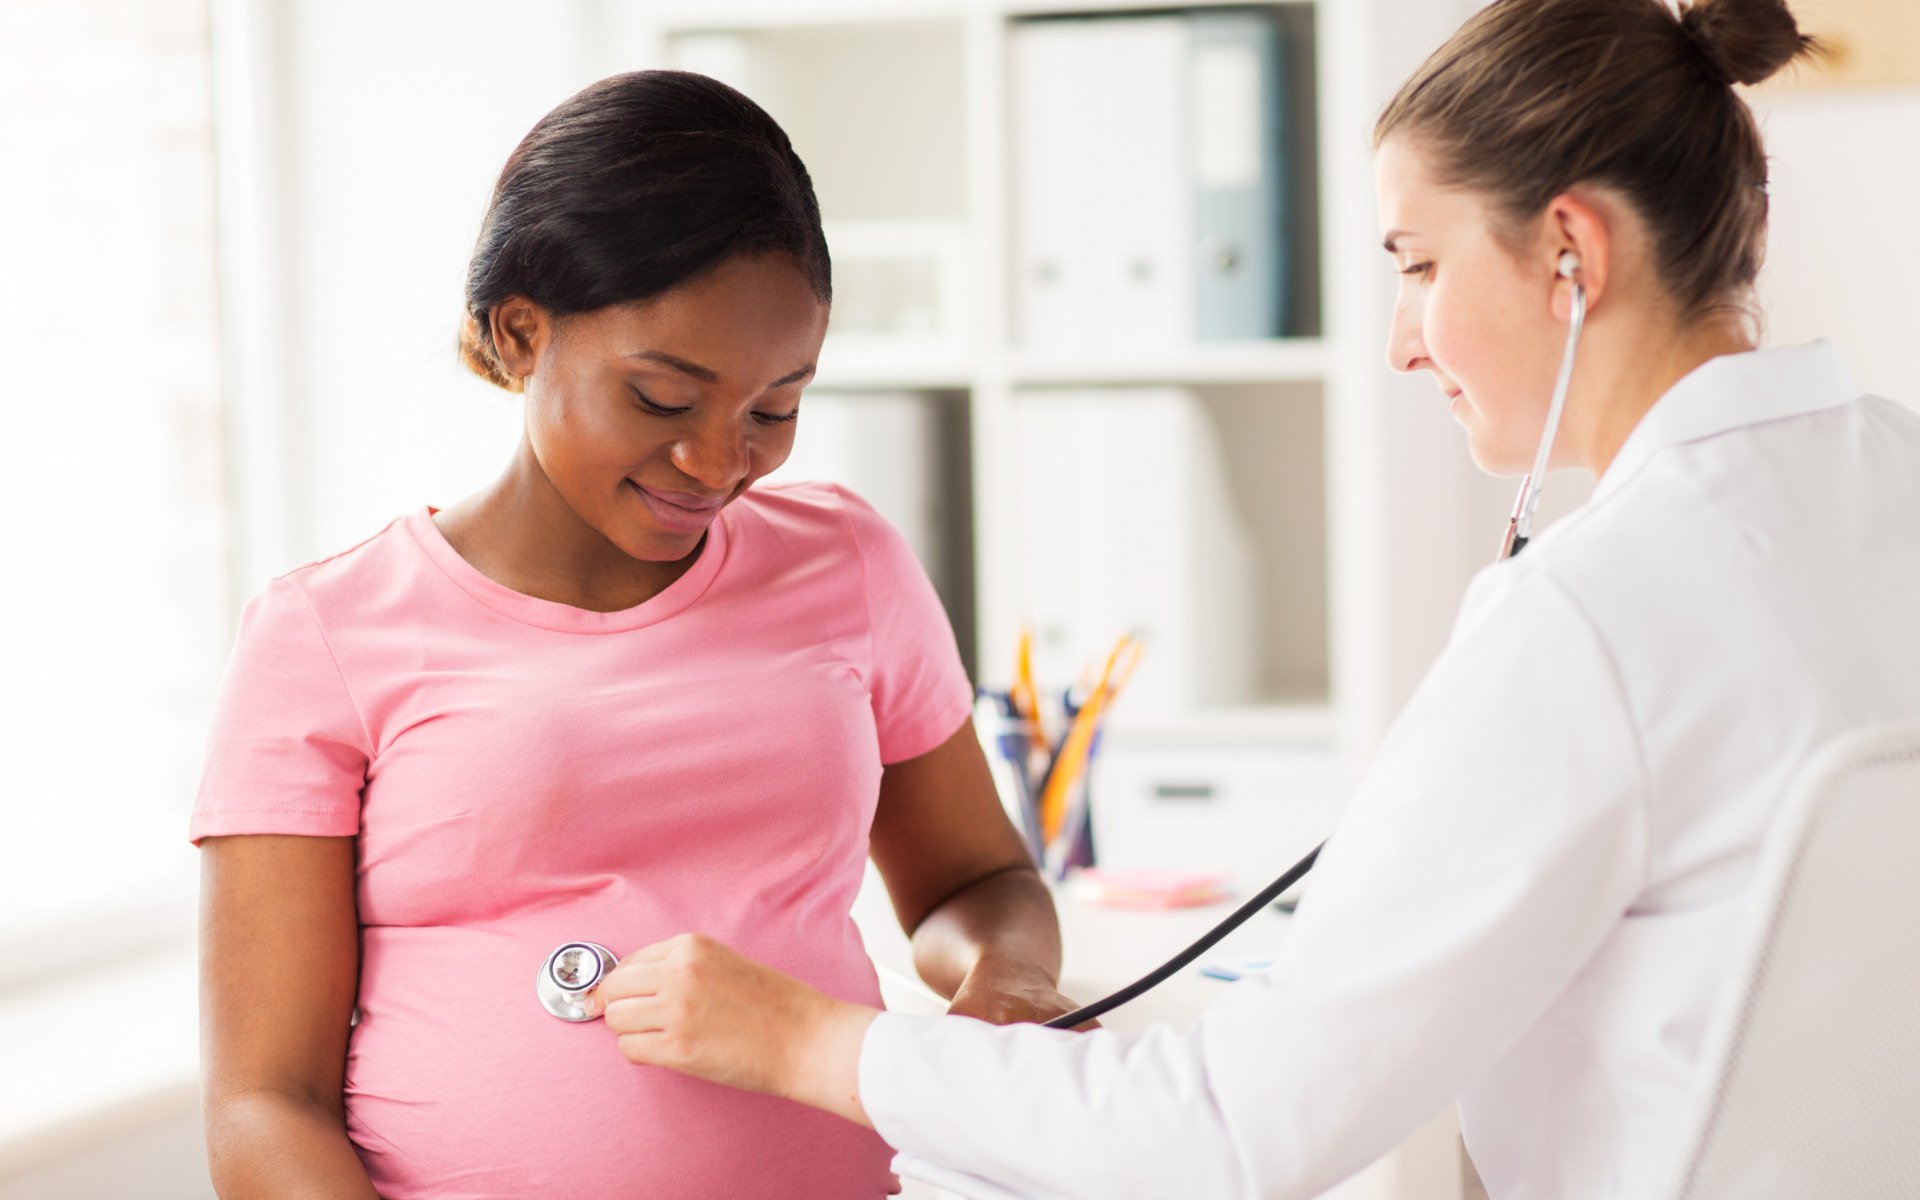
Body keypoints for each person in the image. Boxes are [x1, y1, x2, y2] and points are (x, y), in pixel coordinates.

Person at [581, 1, 1920, 1197]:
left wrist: (806, 1039)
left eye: (1417, 262)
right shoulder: (1895, 483)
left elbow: (1240, 1135)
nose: (1401, 341)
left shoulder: (1590, 621)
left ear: (1570, 250)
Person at [193, 72, 1078, 1200]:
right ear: (519, 334)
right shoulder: (322, 634)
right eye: (663, 400)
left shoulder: (846, 563)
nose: (719, 464)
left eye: (775, 408)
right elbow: (264, 1105)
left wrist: (1008, 977)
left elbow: (977, 881)